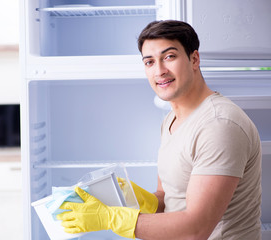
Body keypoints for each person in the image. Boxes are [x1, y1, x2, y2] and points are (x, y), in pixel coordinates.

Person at [57, 20, 262, 240]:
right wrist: (139, 198)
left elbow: (196, 229)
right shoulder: (171, 120)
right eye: (149, 62)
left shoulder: (219, 124)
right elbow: (169, 198)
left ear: (194, 59)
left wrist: (111, 218)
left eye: (169, 57)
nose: (160, 71)